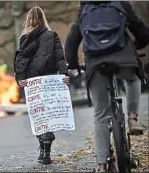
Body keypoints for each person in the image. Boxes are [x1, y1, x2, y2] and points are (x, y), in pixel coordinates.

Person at [65, 1, 149, 172]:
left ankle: (102, 164)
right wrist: (136, 45)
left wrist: (73, 64)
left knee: (101, 114)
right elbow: (142, 31)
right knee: (133, 79)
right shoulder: (120, 4)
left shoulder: (85, 8)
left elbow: (73, 39)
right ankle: (133, 118)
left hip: (96, 64)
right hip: (123, 58)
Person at [14, 6, 69, 165]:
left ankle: (43, 146)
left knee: (38, 115)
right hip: (50, 80)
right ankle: (46, 149)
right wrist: (64, 74)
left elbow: (21, 61)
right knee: (47, 114)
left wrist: (20, 78)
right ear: (43, 18)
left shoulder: (25, 38)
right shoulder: (52, 35)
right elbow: (60, 57)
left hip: (33, 82)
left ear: (28, 20)